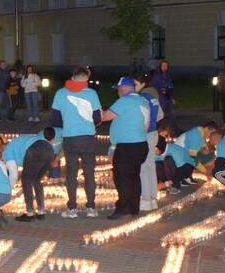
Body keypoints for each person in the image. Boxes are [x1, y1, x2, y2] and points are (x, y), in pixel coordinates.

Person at [52, 66, 102, 219]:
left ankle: (72, 208)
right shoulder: (91, 94)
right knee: (89, 173)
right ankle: (91, 207)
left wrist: (69, 123)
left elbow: (54, 118)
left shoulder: (60, 93)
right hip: (87, 138)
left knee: (71, 174)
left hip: (70, 138)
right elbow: (98, 118)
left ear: (72, 77)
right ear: (86, 79)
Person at [99, 76, 151, 219]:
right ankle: (134, 208)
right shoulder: (143, 101)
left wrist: (94, 112)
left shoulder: (125, 101)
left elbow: (105, 117)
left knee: (122, 177)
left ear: (124, 88)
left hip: (127, 146)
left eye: (119, 89)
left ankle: (122, 208)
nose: (118, 92)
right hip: (141, 144)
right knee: (134, 177)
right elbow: (146, 125)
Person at [4, 127, 58, 222]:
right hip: (49, 150)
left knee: (26, 181)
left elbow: (13, 175)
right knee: (36, 180)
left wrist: (6, 190)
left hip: (34, 150)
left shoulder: (7, 152)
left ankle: (30, 213)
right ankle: (41, 212)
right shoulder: (16, 142)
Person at [134, 74, 163, 211]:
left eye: (135, 84)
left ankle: (146, 200)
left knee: (143, 168)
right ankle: (152, 198)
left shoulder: (141, 98)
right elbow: (160, 115)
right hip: (153, 133)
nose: (133, 87)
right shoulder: (153, 98)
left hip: (145, 134)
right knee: (150, 166)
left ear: (142, 84)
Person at [154, 125, 194, 193]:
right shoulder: (153, 151)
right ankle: (166, 183)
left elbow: (183, 170)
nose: (152, 150)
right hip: (170, 170)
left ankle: (175, 184)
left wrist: (166, 184)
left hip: (186, 168)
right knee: (155, 163)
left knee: (168, 159)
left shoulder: (175, 150)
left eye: (155, 148)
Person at [150, 60, 177, 135]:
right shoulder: (157, 76)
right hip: (160, 99)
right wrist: (160, 91)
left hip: (168, 99)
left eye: (166, 66)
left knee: (172, 114)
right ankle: (157, 131)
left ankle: (172, 132)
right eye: (163, 66)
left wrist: (172, 98)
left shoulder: (168, 76)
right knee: (160, 116)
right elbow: (153, 87)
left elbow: (171, 87)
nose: (165, 67)